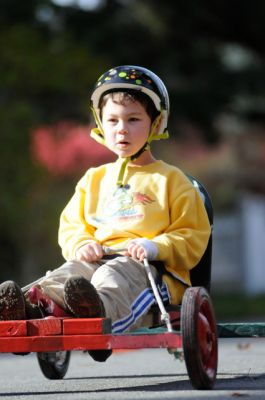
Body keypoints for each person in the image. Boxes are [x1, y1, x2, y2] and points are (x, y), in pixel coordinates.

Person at [0, 65, 211, 361]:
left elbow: (192, 236)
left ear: (157, 122)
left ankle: (96, 313)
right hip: (95, 262)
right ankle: (31, 310)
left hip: (149, 271)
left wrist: (154, 246)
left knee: (112, 275)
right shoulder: (93, 179)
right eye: (112, 120)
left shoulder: (173, 181)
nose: (121, 129)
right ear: (101, 122)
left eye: (133, 119)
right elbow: (72, 225)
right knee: (68, 273)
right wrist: (82, 244)